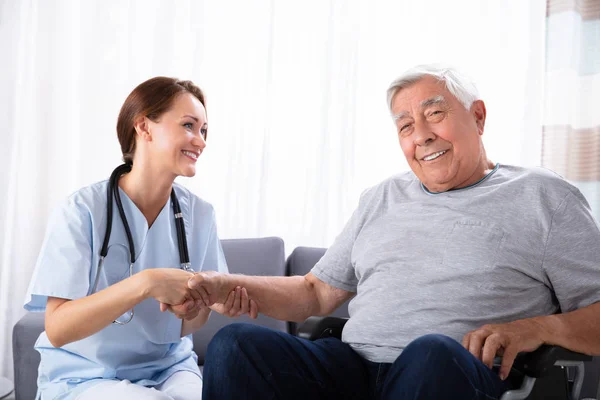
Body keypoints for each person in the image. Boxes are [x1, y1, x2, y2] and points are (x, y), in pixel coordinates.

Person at [190, 65, 600, 399]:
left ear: (478, 116)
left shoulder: (545, 196)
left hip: (454, 373)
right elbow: (315, 293)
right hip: (352, 369)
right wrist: (222, 286)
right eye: (405, 126)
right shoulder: (381, 197)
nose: (421, 135)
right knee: (236, 346)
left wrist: (540, 328)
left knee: (432, 349)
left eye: (435, 113)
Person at [24, 77, 255, 400]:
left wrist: (194, 309)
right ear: (144, 127)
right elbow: (58, 329)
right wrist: (145, 283)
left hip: (169, 368)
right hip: (84, 375)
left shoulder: (200, 215)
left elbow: (190, 324)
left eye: (204, 131)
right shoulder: (81, 211)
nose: (200, 142)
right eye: (189, 125)